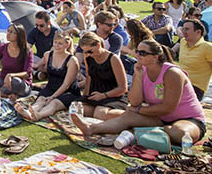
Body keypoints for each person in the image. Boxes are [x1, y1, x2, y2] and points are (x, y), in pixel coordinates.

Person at [72, 40, 206, 146]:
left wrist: (138, 109)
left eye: (143, 53)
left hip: (188, 120)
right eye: (137, 52)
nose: (137, 55)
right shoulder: (142, 70)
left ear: (155, 57)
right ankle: (91, 128)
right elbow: (135, 101)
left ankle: (143, 133)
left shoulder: (172, 73)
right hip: (160, 119)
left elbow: (168, 108)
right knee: (128, 116)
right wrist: (138, 75)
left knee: (178, 132)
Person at [15, 33, 81, 121]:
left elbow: (66, 84)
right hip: (51, 87)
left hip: (68, 91)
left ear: (67, 45)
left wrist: (53, 96)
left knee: (54, 103)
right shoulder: (48, 55)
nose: (57, 46)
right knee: (41, 100)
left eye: (60, 43)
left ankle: (39, 115)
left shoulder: (72, 60)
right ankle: (29, 112)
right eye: (55, 42)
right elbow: (36, 65)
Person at [77, 32, 129, 120]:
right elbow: (89, 77)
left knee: (100, 114)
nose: (88, 54)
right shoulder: (88, 57)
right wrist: (85, 96)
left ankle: (131, 116)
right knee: (77, 110)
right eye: (85, 52)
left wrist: (104, 95)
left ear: (98, 45)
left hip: (112, 95)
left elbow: (123, 88)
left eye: (90, 51)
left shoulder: (113, 59)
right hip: (95, 94)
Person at [0, 24, 33, 99]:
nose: (8, 34)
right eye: (8, 31)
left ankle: (0, 93)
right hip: (3, 80)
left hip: (20, 83)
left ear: (19, 35)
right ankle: (6, 95)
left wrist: (11, 75)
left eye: (13, 32)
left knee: (15, 82)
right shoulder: (3, 48)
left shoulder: (27, 50)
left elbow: (27, 74)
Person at [179, 19, 212, 101]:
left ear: (198, 32)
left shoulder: (207, 47)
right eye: (183, 29)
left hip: (195, 87)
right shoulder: (183, 42)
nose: (183, 32)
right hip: (179, 83)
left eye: (187, 29)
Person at [27, 11, 58, 79]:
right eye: (36, 25)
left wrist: (36, 65)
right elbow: (27, 47)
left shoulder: (56, 33)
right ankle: (40, 73)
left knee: (50, 63)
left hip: (53, 59)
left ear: (49, 23)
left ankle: (36, 72)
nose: (39, 27)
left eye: (41, 25)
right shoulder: (35, 31)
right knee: (25, 57)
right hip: (39, 58)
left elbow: (51, 53)